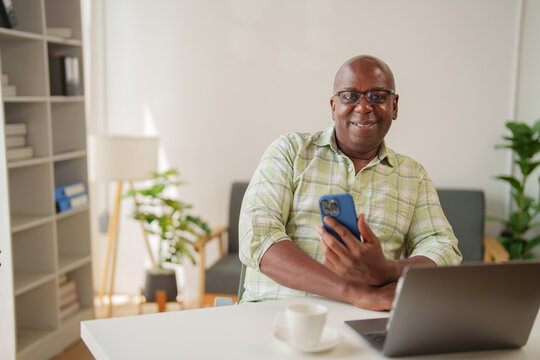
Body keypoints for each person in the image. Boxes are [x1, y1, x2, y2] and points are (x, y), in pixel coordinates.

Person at [238, 55, 462, 310]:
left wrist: (388, 270)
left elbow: (443, 248)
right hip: (275, 314)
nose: (364, 107)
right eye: (350, 96)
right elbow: (257, 235)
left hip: (368, 320)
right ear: (334, 106)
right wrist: (353, 292)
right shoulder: (290, 151)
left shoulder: (414, 175)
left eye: (378, 96)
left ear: (395, 106)